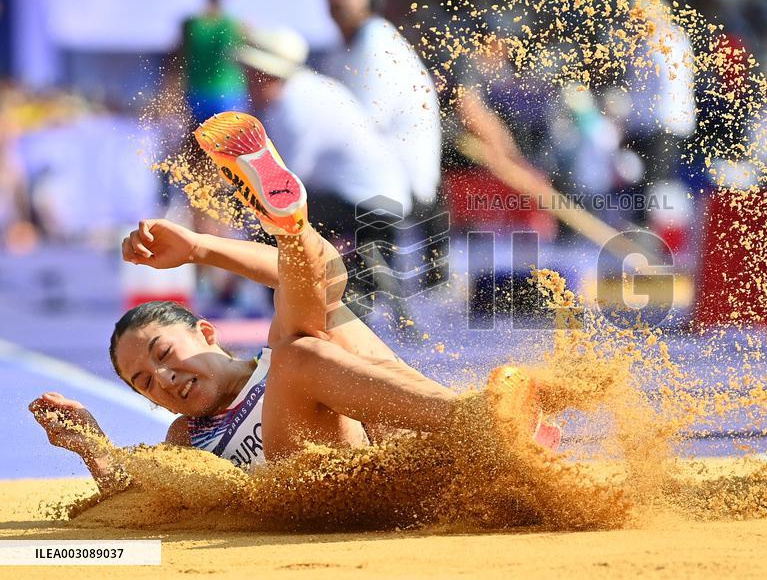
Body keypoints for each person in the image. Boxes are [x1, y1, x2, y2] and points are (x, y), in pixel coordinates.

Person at [29, 112, 559, 492]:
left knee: (321, 315)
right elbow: (135, 499)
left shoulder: (282, 348)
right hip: (328, 491)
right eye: (146, 382)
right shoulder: (185, 438)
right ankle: (481, 423)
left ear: (207, 332)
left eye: (164, 355)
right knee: (299, 355)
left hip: (407, 452)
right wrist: (91, 445)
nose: (164, 379)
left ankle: (289, 227)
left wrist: (197, 247)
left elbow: (316, 280)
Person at [238, 26, 412, 316]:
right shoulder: (304, 91)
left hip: (366, 204)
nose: (245, 83)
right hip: (375, 198)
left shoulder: (293, 105)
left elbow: (285, 188)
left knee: (267, 226)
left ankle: (292, 311)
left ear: (265, 74)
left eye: (250, 75)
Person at [324, 0, 441, 221]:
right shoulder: (350, 44)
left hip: (402, 188)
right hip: (377, 180)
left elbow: (360, 127)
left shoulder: (376, 43)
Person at [177, 0, 249, 124]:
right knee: (230, 145)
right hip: (228, 93)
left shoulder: (190, 24)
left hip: (197, 93)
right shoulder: (234, 25)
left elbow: (177, 60)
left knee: (196, 145)